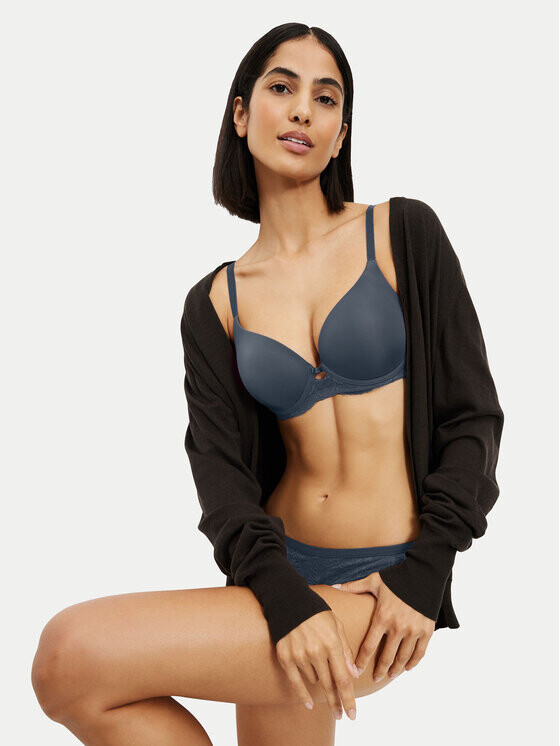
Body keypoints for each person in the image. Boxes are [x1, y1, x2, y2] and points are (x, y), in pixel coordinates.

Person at [31, 22, 504, 746]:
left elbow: (472, 418)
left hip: (379, 585)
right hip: (277, 578)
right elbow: (221, 477)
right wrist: (282, 597)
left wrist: (428, 569)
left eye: (326, 97)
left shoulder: (403, 233)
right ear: (241, 113)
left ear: (340, 135)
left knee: (70, 656)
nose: (303, 109)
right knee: (69, 673)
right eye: (282, 88)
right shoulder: (216, 302)